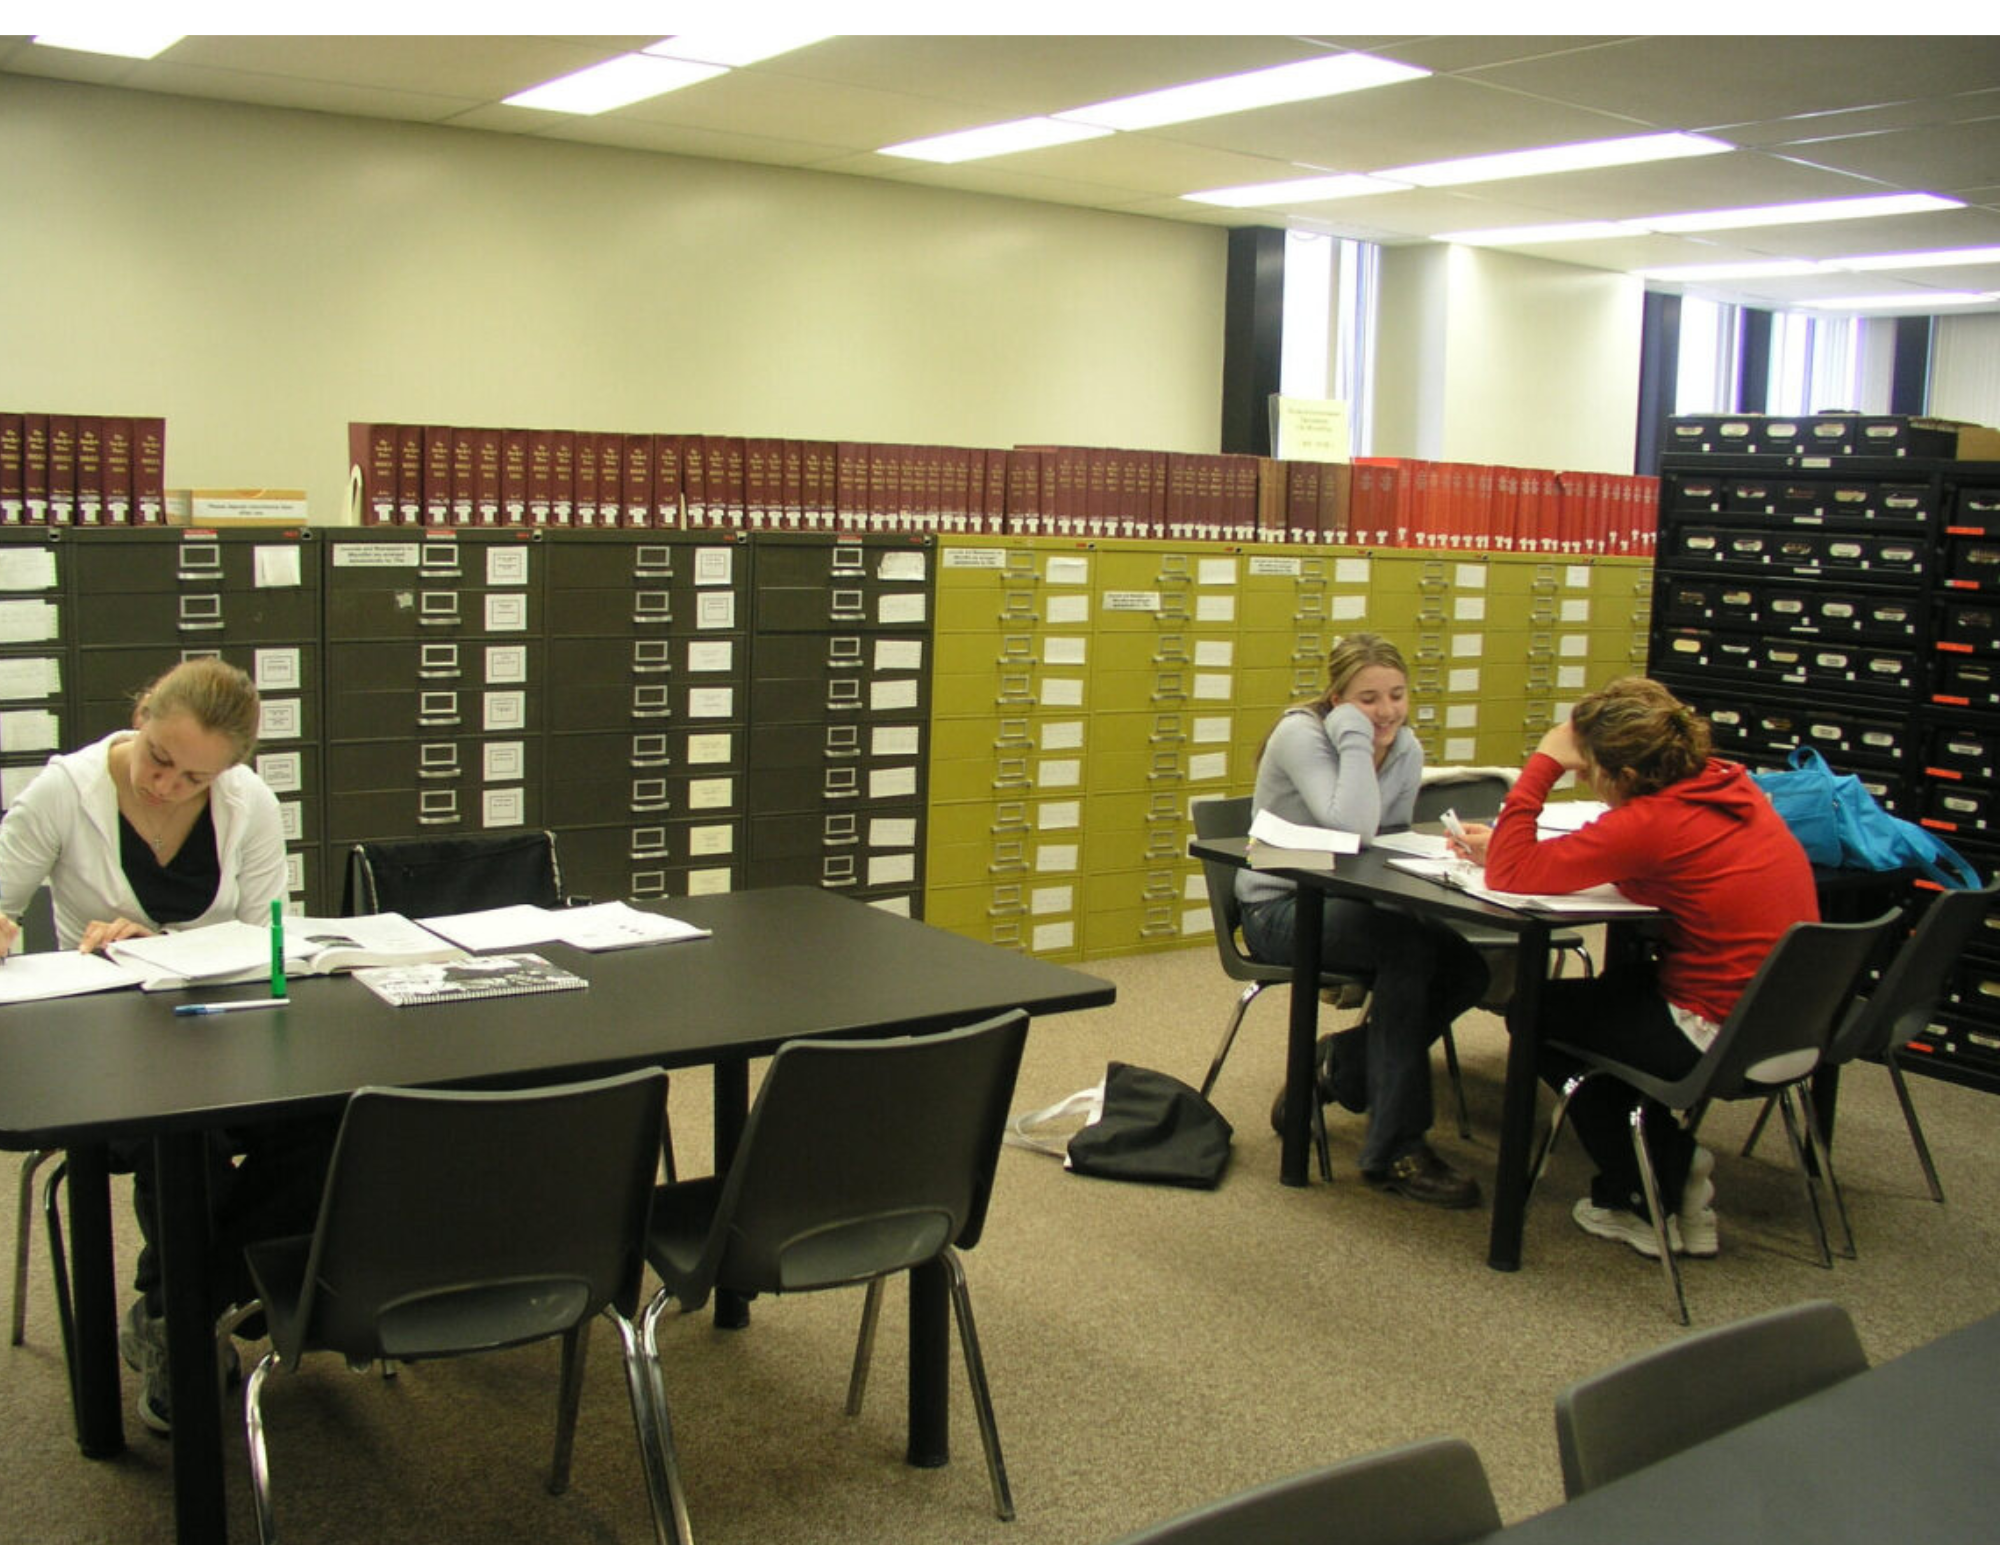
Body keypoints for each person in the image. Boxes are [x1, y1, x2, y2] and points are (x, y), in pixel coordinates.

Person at [0, 656, 331, 1435]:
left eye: (195, 778)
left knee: (330, 1116)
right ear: (143, 712)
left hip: (225, 1028)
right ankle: (198, 1318)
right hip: (108, 1052)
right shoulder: (64, 791)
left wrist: (169, 942)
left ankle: (177, 1308)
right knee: (184, 1134)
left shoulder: (247, 802)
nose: (167, 786)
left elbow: (266, 936)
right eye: (160, 759)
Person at [1448, 676, 1819, 1259]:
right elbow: (1651, 862)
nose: (1589, 778)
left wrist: (1545, 761)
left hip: (1715, 1030)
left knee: (1535, 1013)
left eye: (1591, 770)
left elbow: (1513, 876)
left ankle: (1652, 1186)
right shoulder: (1728, 786)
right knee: (1612, 991)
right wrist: (1518, 850)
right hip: (1789, 1022)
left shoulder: (1652, 824)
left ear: (1623, 777)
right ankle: (1666, 1173)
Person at [1236, 633, 1488, 1208]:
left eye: (1396, 695)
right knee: (1408, 951)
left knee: (1465, 968)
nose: (1386, 711)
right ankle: (1395, 1149)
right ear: (1337, 696)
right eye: (1368, 698)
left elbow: (1384, 842)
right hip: (1280, 907)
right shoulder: (1303, 733)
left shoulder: (1405, 747)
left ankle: (1341, 1067)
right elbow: (1349, 826)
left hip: (1355, 902)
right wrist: (1352, 737)